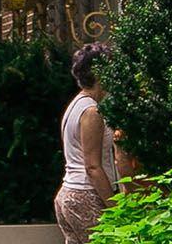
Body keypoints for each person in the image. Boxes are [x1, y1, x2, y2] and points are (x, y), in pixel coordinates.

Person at [56, 44, 120, 244]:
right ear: (99, 73)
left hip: (68, 195)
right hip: (86, 196)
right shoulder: (91, 112)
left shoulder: (75, 104)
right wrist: (115, 207)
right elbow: (92, 166)